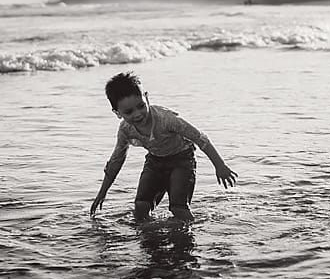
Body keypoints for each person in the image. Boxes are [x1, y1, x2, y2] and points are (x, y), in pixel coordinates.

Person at [91, 72, 236, 235]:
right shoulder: (126, 130)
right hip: (155, 161)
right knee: (140, 207)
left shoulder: (166, 119)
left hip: (182, 160)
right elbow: (117, 160)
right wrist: (102, 192)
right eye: (129, 112)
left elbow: (200, 138)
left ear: (146, 97)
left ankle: (186, 236)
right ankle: (151, 238)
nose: (137, 114)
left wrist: (220, 165)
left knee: (178, 207)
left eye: (140, 106)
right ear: (117, 113)